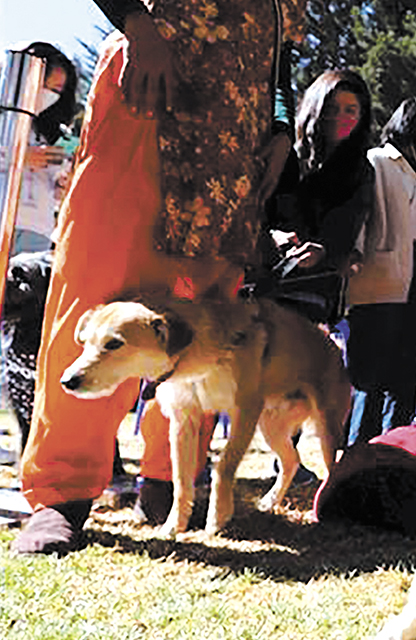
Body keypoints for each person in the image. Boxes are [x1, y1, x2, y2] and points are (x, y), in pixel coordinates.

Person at [12, 0, 306, 555]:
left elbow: (281, 58)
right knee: (100, 291)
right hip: (148, 96)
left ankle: (169, 479)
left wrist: (283, 127)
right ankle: (64, 491)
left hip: (236, 136)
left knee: (209, 319)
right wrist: (136, 23)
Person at [345, 97, 416, 445]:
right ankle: (356, 455)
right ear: (411, 125)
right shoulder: (377, 160)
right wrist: (353, 252)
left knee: (404, 377)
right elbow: (359, 213)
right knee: (371, 376)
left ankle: (394, 452)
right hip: (380, 279)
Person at [258, 68, 376, 329]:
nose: (339, 117)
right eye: (332, 107)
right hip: (261, 285)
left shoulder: (361, 171)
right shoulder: (286, 155)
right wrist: (272, 237)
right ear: (316, 107)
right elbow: (260, 209)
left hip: (312, 295)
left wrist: (323, 250)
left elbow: (346, 227)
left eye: (350, 110)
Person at [5, 42, 78, 254]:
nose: (48, 95)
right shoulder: (4, 119)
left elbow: (57, 195)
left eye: (56, 91)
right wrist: (19, 156)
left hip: (37, 230)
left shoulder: (58, 133)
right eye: (44, 86)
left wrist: (65, 184)